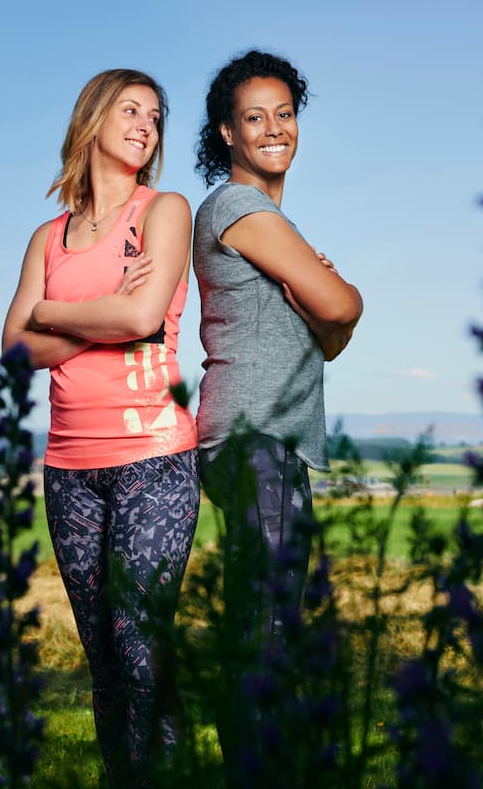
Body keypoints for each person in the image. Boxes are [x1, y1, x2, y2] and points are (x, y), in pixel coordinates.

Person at [2, 69, 199, 788]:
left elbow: (142, 318)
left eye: (155, 115)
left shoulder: (164, 211)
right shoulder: (47, 238)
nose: (147, 124)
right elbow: (12, 351)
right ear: (91, 120)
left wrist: (51, 314)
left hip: (155, 457)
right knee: (107, 663)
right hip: (69, 470)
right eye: (130, 109)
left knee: (140, 644)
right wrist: (98, 310)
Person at [193, 49, 363, 781]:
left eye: (284, 114)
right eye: (253, 117)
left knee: (265, 626)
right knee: (266, 632)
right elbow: (342, 308)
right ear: (227, 132)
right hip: (255, 438)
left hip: (262, 440)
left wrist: (328, 309)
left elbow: (326, 340)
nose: (272, 129)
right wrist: (333, 296)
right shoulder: (240, 208)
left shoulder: (268, 222)